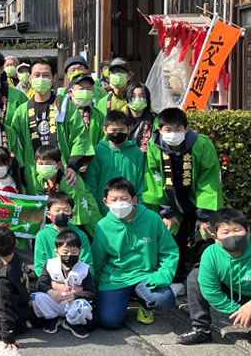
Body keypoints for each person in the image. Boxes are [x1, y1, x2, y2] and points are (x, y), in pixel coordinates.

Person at [177, 209, 251, 350]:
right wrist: (237, 312)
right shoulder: (210, 254)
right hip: (233, 295)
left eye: (237, 230)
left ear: (247, 231)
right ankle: (201, 329)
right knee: (195, 277)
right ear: (214, 237)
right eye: (226, 232)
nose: (232, 236)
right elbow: (210, 290)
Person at [143, 106, 223, 289]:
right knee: (172, 238)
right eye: (168, 130)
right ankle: (177, 278)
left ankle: (205, 282)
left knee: (205, 236)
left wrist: (204, 215)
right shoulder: (154, 147)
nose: (173, 134)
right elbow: (153, 178)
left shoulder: (201, 144)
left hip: (198, 201)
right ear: (160, 130)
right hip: (171, 202)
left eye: (177, 129)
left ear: (186, 129)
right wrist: (166, 212)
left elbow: (209, 178)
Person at [92, 177, 178, 329]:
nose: (119, 203)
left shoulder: (152, 219)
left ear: (134, 200)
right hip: (115, 278)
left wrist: (163, 276)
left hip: (145, 275)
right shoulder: (103, 226)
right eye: (114, 199)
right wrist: (92, 287)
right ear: (106, 202)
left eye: (124, 198)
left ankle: (145, 304)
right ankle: (119, 301)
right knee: (109, 322)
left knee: (164, 299)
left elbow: (169, 251)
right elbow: (97, 259)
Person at [11, 57, 94, 184]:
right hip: (33, 178)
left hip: (64, 174)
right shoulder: (21, 112)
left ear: (54, 78)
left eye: (45, 75)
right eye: (37, 75)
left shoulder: (65, 106)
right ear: (30, 78)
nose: (41, 79)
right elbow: (16, 146)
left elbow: (79, 139)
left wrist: (72, 167)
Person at [33, 229, 96, 338]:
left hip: (73, 303)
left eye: (74, 252)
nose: (70, 255)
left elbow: (91, 292)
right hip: (56, 300)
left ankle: (72, 323)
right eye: (65, 252)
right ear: (57, 252)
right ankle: (53, 318)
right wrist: (50, 291)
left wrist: (75, 295)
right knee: (36, 297)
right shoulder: (50, 264)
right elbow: (40, 283)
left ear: (80, 252)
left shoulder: (84, 269)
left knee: (83, 305)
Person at [85, 110, 146, 217]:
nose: (117, 133)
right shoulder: (98, 152)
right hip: (104, 210)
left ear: (128, 129)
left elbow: (141, 182)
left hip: (131, 208)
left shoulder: (136, 153)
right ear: (105, 130)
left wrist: (139, 207)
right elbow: (91, 184)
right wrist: (95, 209)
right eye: (113, 130)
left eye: (121, 130)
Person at [29, 145, 100, 233]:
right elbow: (40, 200)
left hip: (77, 212)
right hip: (56, 216)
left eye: (48, 164)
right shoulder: (39, 179)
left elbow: (76, 204)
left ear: (58, 165)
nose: (44, 167)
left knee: (92, 231)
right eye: (40, 164)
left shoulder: (68, 178)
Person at [33, 192, 94, 276]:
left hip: (77, 280)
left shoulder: (81, 235)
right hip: (51, 282)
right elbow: (39, 266)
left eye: (66, 210)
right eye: (57, 210)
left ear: (72, 214)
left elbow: (87, 263)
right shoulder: (42, 235)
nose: (62, 214)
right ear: (48, 214)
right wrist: (53, 283)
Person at [66, 73, 104, 147]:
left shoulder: (98, 115)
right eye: (81, 89)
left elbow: (103, 138)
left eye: (88, 89)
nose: (85, 92)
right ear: (71, 92)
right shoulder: (63, 113)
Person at [125, 82, 157, 154]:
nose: (137, 99)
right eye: (133, 96)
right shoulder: (121, 120)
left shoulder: (154, 120)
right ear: (126, 100)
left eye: (141, 96)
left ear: (147, 100)